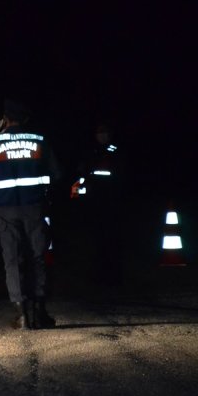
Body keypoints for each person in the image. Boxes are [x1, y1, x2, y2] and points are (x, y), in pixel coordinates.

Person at [0, 99, 63, 329]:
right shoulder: (39, 141)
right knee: (38, 256)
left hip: (6, 211)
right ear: (27, 118)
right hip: (35, 207)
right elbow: (57, 173)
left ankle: (22, 315)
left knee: (12, 259)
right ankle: (40, 312)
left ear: (5, 119)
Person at [71, 120, 125, 287]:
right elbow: (83, 174)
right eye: (99, 132)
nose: (101, 135)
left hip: (111, 201)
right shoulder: (90, 152)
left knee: (111, 240)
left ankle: (113, 275)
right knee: (95, 240)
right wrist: (79, 192)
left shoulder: (115, 151)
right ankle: (98, 275)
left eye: (104, 132)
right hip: (94, 202)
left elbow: (120, 176)